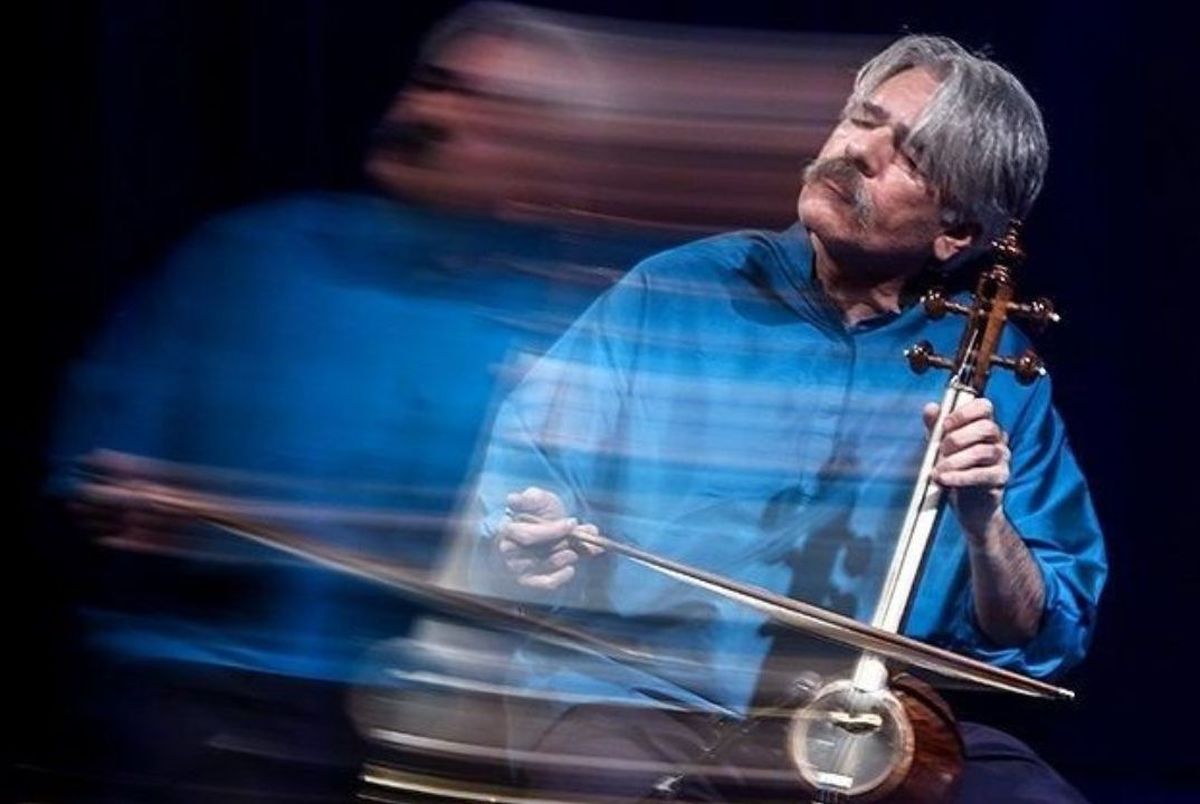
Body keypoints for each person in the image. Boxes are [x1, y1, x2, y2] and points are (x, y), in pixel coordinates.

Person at [457, 33, 1107, 802]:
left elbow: (1038, 631)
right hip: (640, 691)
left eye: (909, 156)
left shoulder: (997, 372)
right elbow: (520, 488)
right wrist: (525, 539)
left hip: (862, 722)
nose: (857, 151)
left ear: (957, 232)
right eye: (861, 120)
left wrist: (984, 524)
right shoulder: (677, 290)